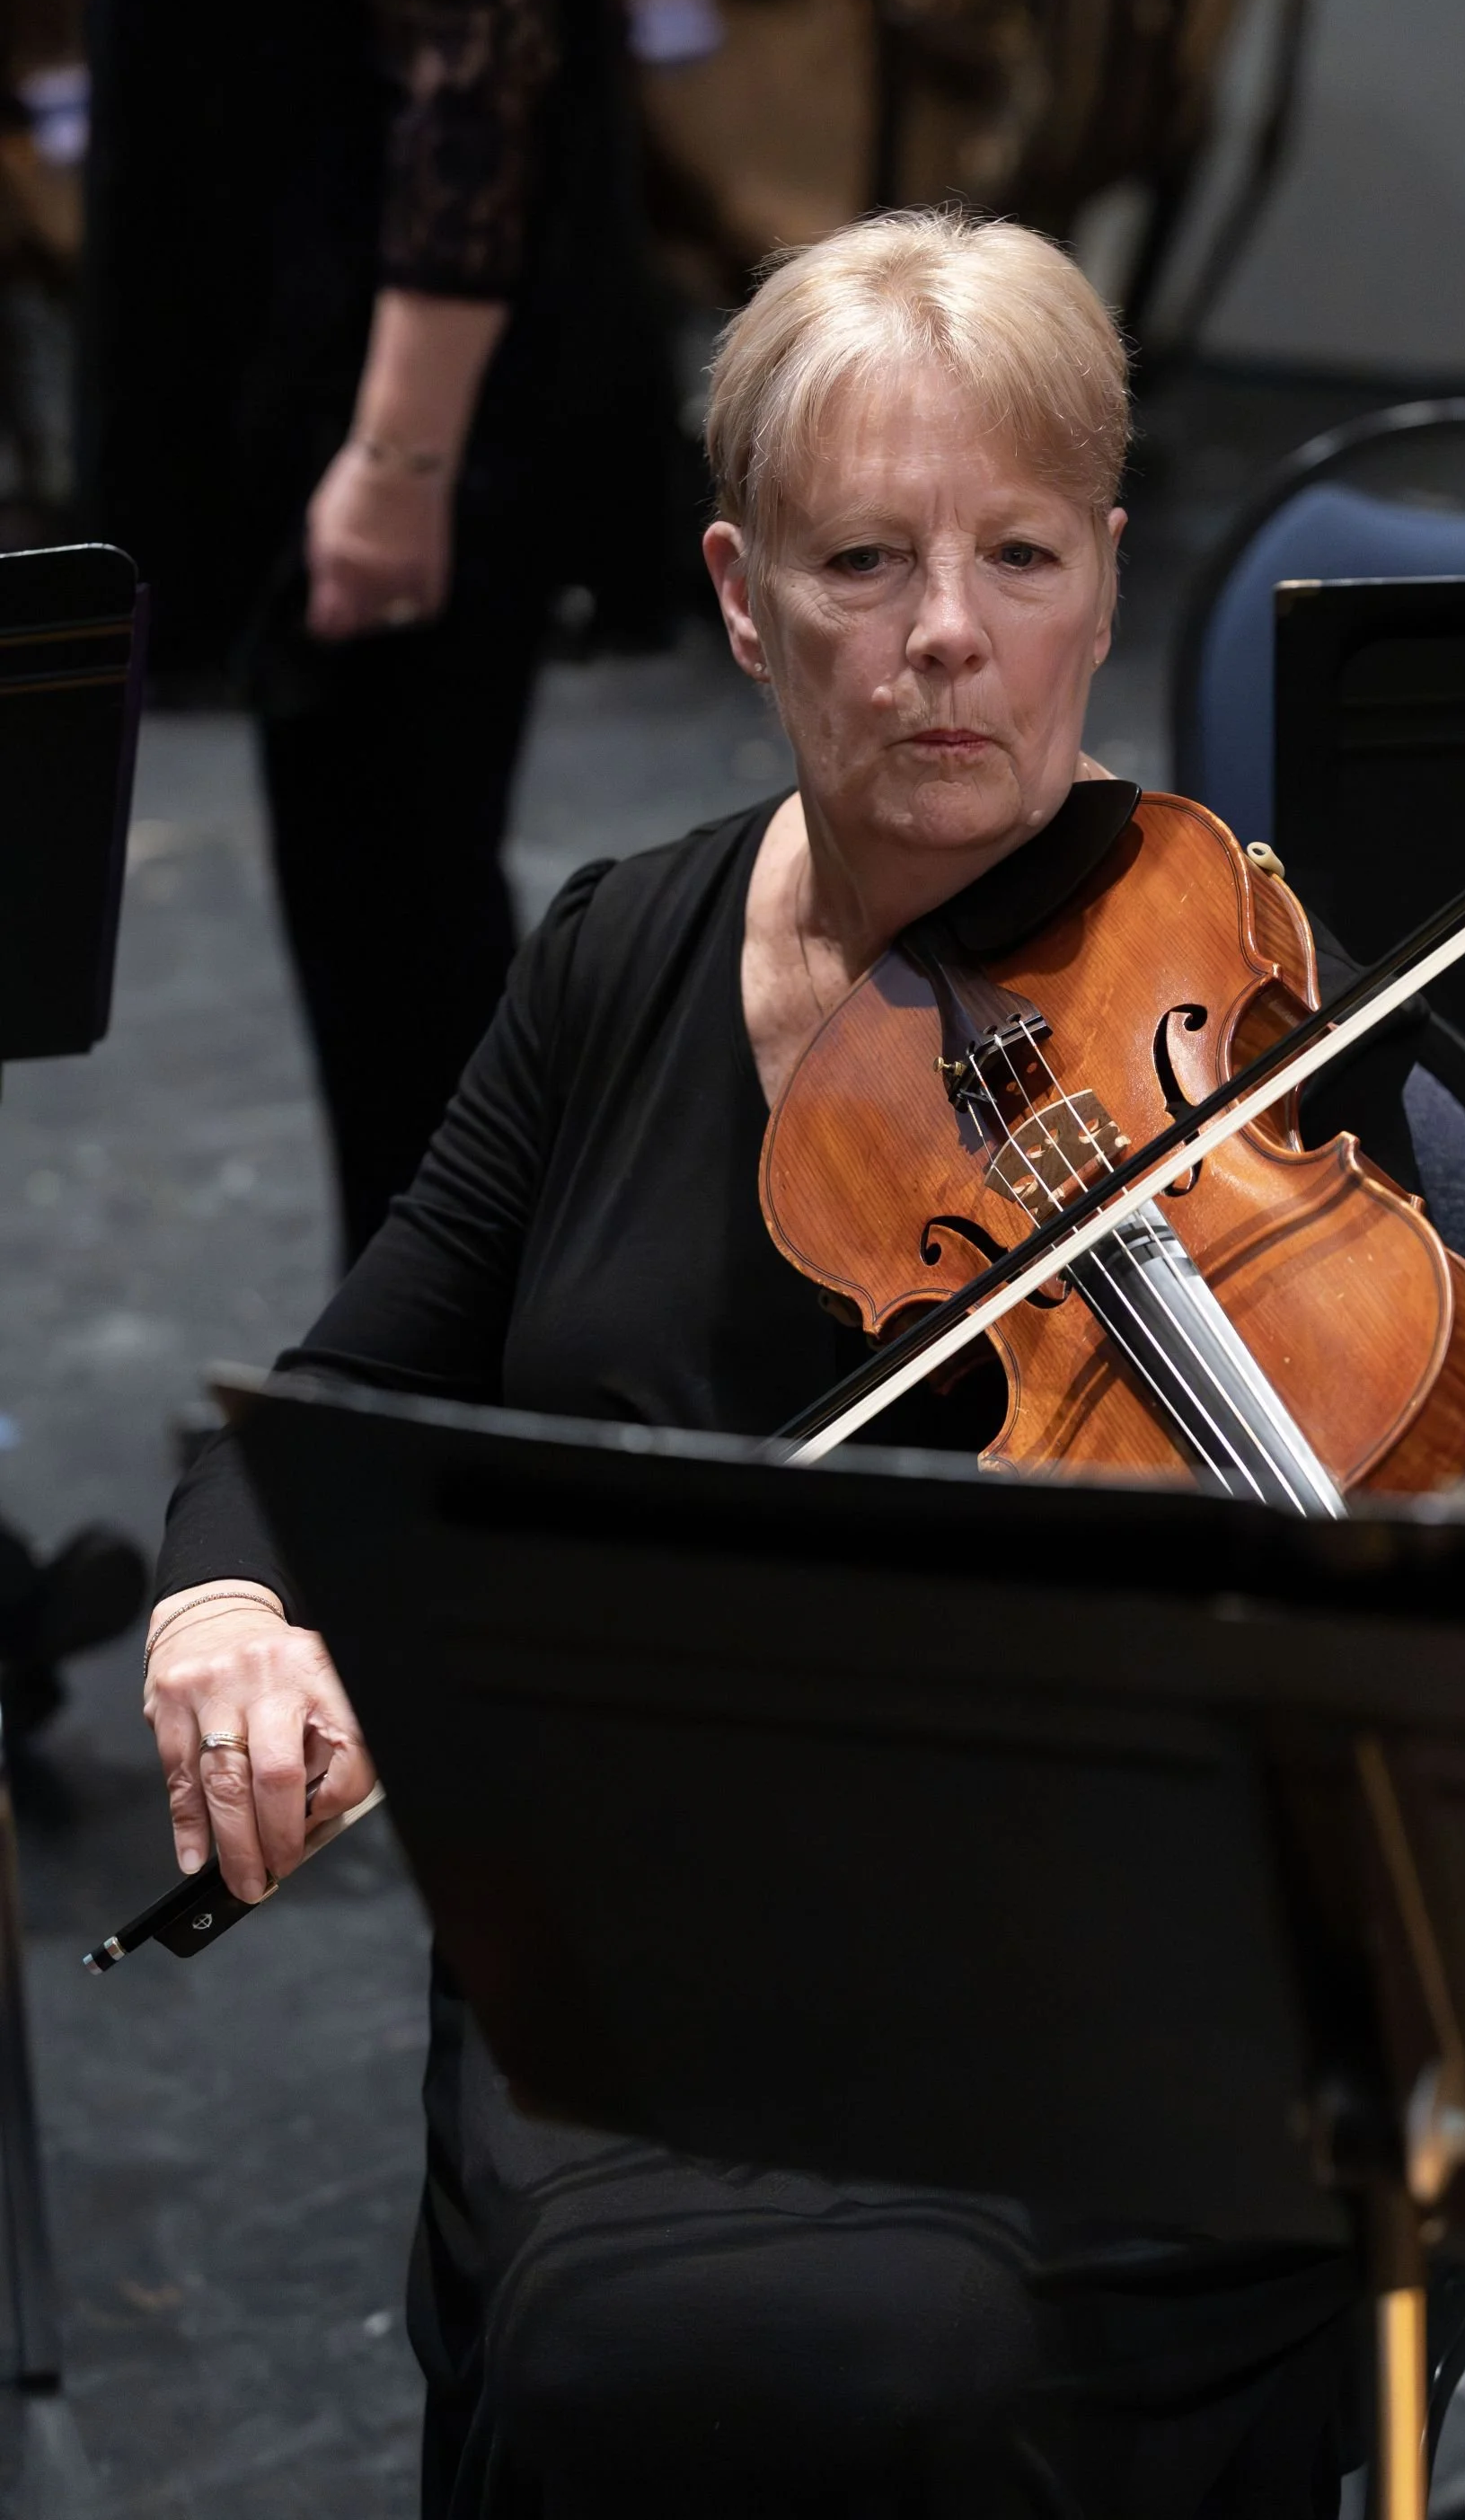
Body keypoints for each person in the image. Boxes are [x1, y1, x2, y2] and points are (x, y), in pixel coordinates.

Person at [142, 212, 1368, 2517]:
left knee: (902, 2362)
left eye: (1016, 557)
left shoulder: (1248, 1009)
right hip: (646, 1943)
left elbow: (1361, 1582)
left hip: (1107, 1963)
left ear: (1106, 584)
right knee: (631, 2350)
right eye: (859, 562)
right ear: (736, 596)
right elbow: (330, 1406)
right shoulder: (616, 958)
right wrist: (227, 1607)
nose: (942, 640)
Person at [82, 0, 677, 1263]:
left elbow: (477, 78)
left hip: (402, 416)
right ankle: (422, 1358)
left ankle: (449, 1385)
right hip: (318, 395)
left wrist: (400, 457)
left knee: (404, 924)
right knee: (371, 912)